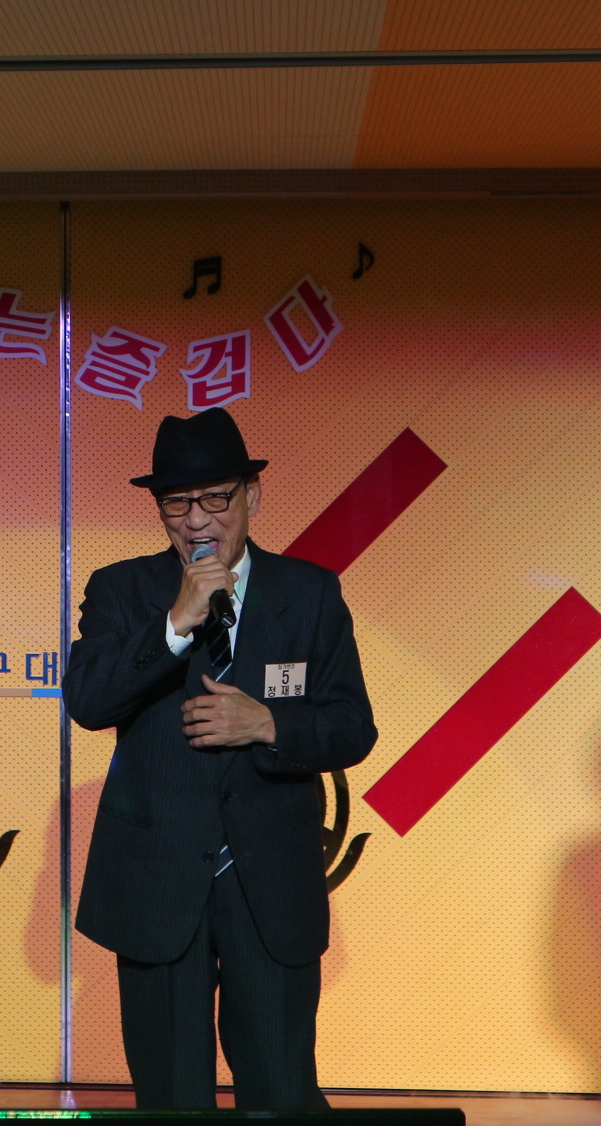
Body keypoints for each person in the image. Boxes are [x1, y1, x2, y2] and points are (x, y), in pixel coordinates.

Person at [65, 407, 377, 1109]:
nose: (197, 519)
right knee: (172, 1099)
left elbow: (352, 727)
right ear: (159, 511)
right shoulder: (121, 590)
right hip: (157, 882)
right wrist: (176, 622)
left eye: (215, 497)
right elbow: (88, 701)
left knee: (281, 1092)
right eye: (178, 503)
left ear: (252, 497)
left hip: (270, 883)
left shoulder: (309, 593)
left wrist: (269, 723)